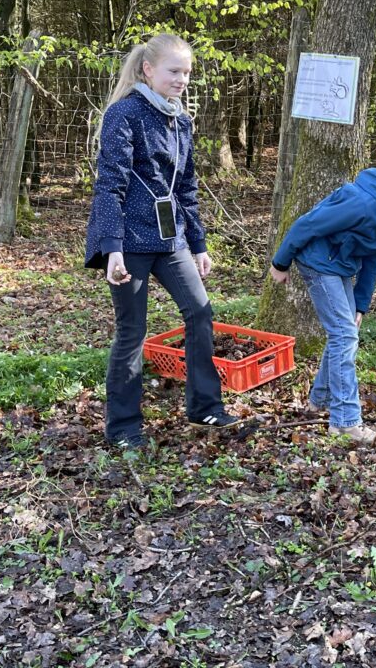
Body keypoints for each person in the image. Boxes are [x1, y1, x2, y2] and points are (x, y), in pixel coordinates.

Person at [84, 33, 238, 450]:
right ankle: (123, 429)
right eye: (174, 71)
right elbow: (110, 185)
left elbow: (186, 187)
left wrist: (200, 243)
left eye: (187, 72)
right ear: (148, 70)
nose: (182, 79)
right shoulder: (124, 114)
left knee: (201, 313)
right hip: (130, 243)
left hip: (172, 242)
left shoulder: (180, 120)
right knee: (132, 331)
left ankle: (205, 406)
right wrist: (112, 246)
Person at [270, 149, 376, 445]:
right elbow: (307, 224)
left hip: (341, 267)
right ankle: (345, 423)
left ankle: (319, 401)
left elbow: (374, 258)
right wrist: (280, 263)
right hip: (318, 262)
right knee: (344, 337)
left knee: (344, 332)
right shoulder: (361, 203)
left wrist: (361, 304)